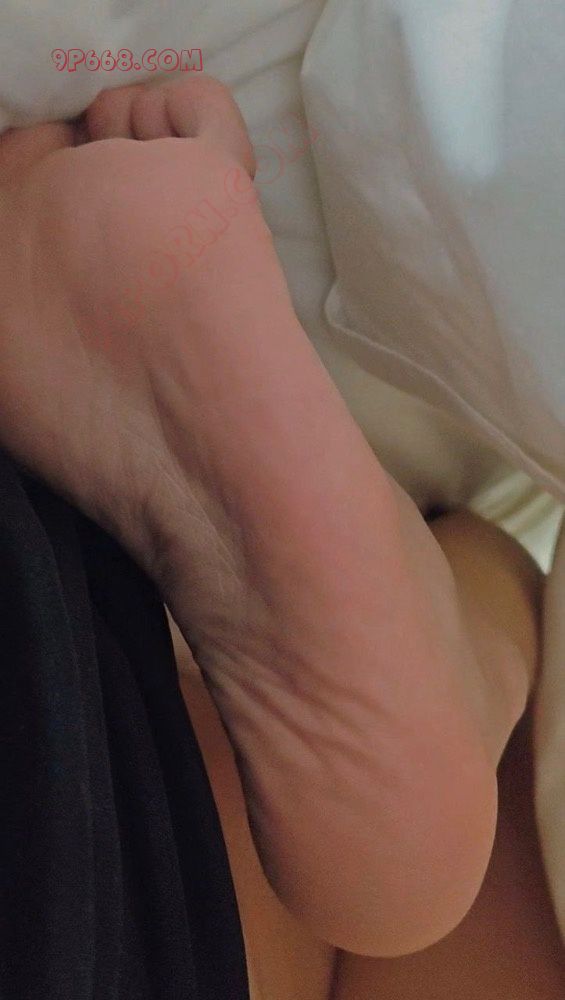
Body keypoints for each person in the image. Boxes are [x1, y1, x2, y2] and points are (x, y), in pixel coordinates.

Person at [0, 74, 563, 996]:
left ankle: (473, 633)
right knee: (406, 861)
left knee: (436, 828)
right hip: (117, 872)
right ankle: (468, 624)